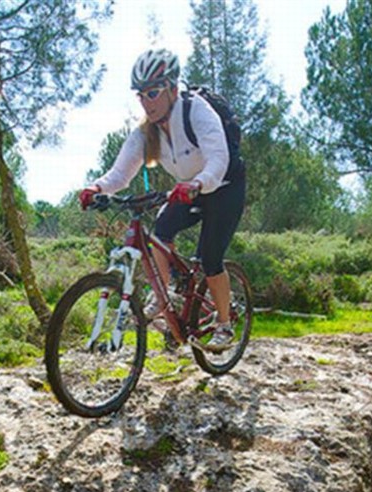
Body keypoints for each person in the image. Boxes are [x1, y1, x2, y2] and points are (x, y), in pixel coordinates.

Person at [78, 48, 246, 351]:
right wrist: (96, 188)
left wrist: (198, 183)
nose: (146, 102)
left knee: (210, 259)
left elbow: (218, 158)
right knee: (160, 233)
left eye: (153, 92)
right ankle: (164, 294)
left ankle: (224, 323)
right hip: (188, 187)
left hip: (223, 185)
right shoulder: (147, 133)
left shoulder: (197, 111)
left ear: (172, 88)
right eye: (140, 95)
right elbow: (120, 174)